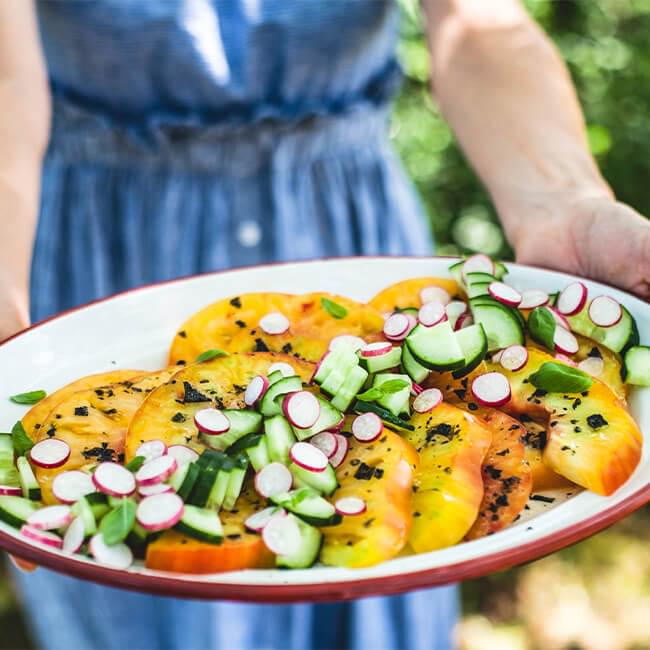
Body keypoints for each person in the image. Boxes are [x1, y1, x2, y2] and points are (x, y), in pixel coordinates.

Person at [2, 1, 649, 649]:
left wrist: (560, 203)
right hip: (112, 256)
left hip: (346, 243)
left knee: (383, 568)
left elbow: (478, 24)